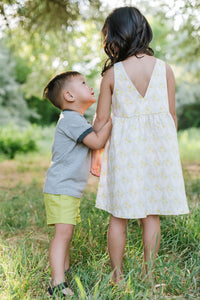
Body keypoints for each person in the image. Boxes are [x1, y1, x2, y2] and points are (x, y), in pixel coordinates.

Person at [91, 6, 189, 283]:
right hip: (159, 149)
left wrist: (96, 156)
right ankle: (149, 274)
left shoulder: (112, 75)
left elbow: (101, 121)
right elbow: (171, 116)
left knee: (118, 215)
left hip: (125, 150)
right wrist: (168, 152)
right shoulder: (165, 69)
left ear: (117, 35)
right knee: (151, 214)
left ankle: (117, 275)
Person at [43, 71, 112, 297]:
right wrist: (111, 122)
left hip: (66, 189)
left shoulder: (74, 119)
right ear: (70, 95)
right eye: (84, 83)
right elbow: (96, 142)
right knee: (62, 236)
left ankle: (63, 270)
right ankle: (57, 283)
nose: (90, 86)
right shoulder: (71, 119)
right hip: (62, 188)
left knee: (66, 233)